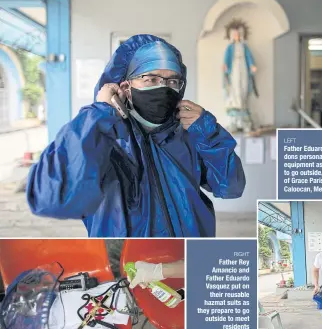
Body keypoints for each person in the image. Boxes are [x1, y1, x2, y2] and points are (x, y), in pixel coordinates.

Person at [26, 35, 246, 237]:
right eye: (150, 79)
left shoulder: (190, 136)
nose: (164, 87)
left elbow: (231, 187)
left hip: (191, 256)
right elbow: (54, 198)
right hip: (132, 259)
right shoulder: (104, 139)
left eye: (172, 81)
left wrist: (209, 132)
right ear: (126, 86)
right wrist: (98, 114)